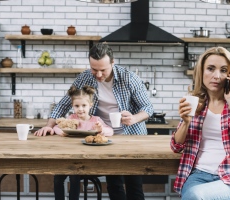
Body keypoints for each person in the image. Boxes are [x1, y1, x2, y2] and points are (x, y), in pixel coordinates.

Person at [34, 43, 154, 200]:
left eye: (103, 70)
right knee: (114, 184)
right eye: (94, 69)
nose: (98, 74)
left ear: (113, 62)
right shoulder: (85, 77)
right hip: (104, 138)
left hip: (131, 136)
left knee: (134, 184)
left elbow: (148, 107)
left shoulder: (129, 78)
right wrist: (49, 126)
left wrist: (134, 118)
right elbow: (64, 103)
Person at [170, 46, 230, 200]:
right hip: (198, 175)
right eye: (210, 69)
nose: (217, 76)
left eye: (223, 70)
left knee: (194, 196)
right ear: (201, 72)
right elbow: (176, 146)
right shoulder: (196, 101)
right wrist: (185, 122)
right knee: (193, 194)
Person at [54, 85, 113, 200]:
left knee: (74, 176)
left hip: (88, 160)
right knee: (57, 178)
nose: (80, 109)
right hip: (71, 158)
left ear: (90, 105)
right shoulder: (71, 119)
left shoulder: (96, 120)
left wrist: (101, 130)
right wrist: (61, 132)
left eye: (84, 105)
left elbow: (110, 131)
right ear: (72, 106)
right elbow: (56, 127)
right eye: (77, 106)